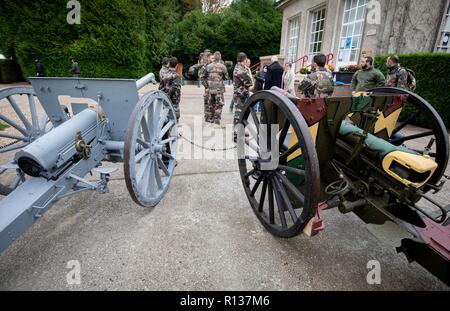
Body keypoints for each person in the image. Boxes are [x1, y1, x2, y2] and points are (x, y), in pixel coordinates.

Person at [204, 51, 228, 127]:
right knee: (219, 105)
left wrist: (206, 86)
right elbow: (226, 77)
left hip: (211, 89)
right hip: (219, 90)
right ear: (220, 57)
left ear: (214, 57)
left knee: (211, 104)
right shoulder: (223, 67)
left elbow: (204, 76)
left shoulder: (209, 66)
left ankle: (211, 121)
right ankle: (216, 122)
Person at [233, 52, 253, 139]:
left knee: (243, 113)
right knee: (239, 114)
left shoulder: (239, 67)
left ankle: (242, 130)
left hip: (241, 94)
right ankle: (236, 133)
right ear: (244, 60)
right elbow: (249, 83)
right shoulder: (241, 70)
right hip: (241, 95)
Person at [160, 57, 181, 122]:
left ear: (169, 64)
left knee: (166, 112)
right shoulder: (176, 75)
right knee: (175, 115)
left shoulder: (164, 74)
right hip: (174, 99)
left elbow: (160, 87)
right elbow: (175, 87)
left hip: (165, 97)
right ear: (176, 65)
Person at [199, 53, 213, 123]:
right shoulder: (205, 66)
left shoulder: (214, 66)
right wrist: (206, 87)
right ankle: (207, 118)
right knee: (207, 103)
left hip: (215, 89)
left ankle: (212, 117)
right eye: (211, 58)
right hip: (208, 89)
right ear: (208, 58)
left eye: (213, 58)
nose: (213, 59)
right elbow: (201, 77)